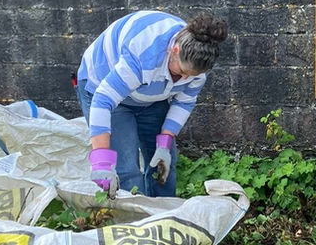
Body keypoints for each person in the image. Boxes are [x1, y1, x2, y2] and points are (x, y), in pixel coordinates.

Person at [76, 10, 227, 197]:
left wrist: (164, 143)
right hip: (104, 89)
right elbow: (103, 100)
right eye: (181, 71)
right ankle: (134, 222)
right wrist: (101, 162)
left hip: (151, 96)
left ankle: (162, 217)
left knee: (164, 166)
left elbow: (184, 102)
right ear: (175, 50)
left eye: (191, 75)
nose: (184, 79)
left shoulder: (198, 63)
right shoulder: (144, 54)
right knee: (126, 170)